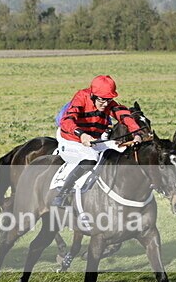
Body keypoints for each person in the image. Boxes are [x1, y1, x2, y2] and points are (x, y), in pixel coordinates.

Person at [52, 75, 145, 207]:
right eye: (102, 100)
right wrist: (81, 135)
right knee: (91, 159)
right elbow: (67, 121)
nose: (105, 104)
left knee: (120, 149)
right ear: (93, 96)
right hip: (71, 140)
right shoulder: (81, 97)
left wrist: (137, 133)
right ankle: (62, 194)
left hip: (94, 141)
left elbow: (124, 115)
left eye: (109, 100)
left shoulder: (107, 103)